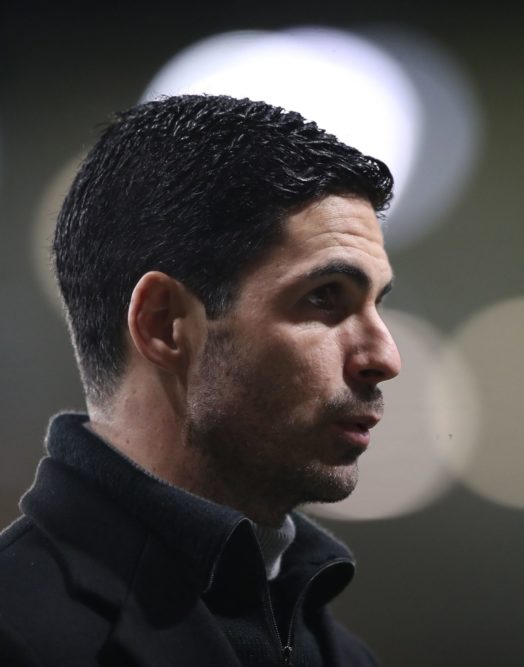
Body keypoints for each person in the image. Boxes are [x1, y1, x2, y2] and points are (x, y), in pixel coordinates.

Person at [0, 94, 402, 665]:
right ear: (165, 325)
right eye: (324, 297)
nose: (385, 356)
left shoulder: (340, 653)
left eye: (376, 304)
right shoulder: (19, 637)